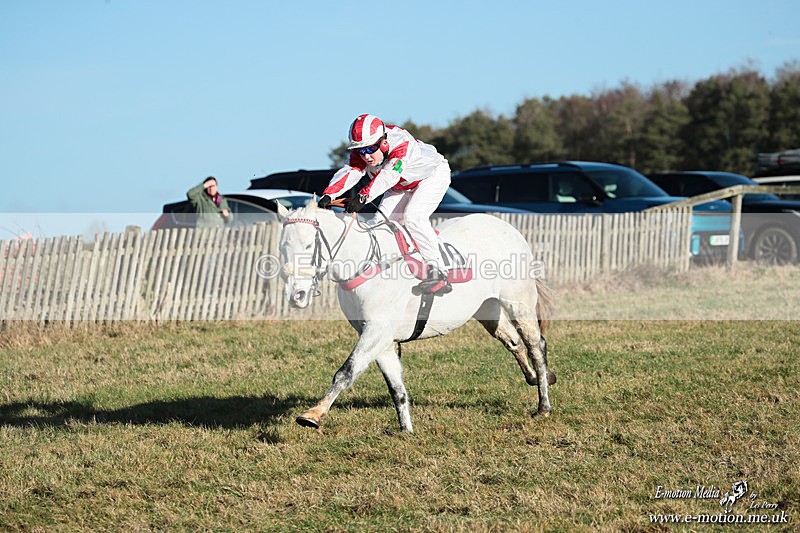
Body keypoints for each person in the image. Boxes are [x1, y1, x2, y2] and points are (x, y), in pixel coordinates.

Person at [318, 114, 452, 295]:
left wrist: (362, 197)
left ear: (383, 143)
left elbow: (389, 175)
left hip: (431, 176)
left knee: (413, 217)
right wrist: (328, 194)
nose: (366, 156)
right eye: (360, 151)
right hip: (400, 185)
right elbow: (350, 171)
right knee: (377, 225)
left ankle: (439, 271)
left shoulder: (401, 143)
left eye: (369, 149)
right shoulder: (365, 150)